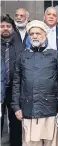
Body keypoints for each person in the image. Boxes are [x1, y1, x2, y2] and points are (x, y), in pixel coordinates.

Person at [11, 20, 58, 146]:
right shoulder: (22, 56)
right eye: (32, 34)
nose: (35, 36)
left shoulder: (55, 55)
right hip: (28, 109)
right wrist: (16, 107)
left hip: (50, 109)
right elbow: (16, 83)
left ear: (45, 35)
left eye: (38, 33)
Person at [0, 14, 24, 145]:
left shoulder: (19, 45)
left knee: (15, 122)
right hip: (0, 88)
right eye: (2, 26)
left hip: (15, 89)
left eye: (8, 26)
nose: (5, 29)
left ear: (13, 29)